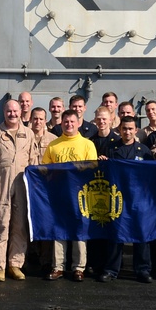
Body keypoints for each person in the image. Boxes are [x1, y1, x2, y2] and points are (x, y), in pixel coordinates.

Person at [0, 99, 35, 281]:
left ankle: (15, 264)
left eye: (15, 111)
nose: (12, 114)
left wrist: (33, 189)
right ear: (4, 112)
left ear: (20, 112)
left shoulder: (28, 134)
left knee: (20, 226)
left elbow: (33, 162)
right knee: (0, 226)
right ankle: (0, 267)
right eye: (8, 111)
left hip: (22, 185)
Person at [42, 110, 98, 282]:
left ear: (78, 123)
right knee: (59, 230)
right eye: (66, 122)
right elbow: (45, 169)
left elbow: (93, 168)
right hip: (59, 193)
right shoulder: (53, 145)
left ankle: (78, 268)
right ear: (61, 123)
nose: (69, 125)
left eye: (72, 121)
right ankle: (58, 266)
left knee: (79, 231)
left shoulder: (87, 144)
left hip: (81, 194)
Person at [98, 116, 154, 283]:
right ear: (119, 130)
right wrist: (103, 163)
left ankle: (143, 270)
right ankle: (111, 270)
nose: (127, 132)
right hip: (118, 197)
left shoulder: (144, 151)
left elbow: (152, 174)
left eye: (130, 129)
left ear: (136, 130)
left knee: (142, 234)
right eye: (124, 129)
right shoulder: (111, 149)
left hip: (139, 198)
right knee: (116, 234)